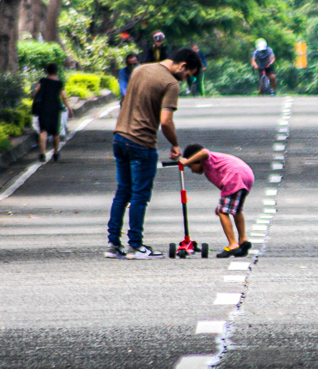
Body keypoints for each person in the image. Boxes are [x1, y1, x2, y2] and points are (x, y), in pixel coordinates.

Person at [106, 47, 202, 259]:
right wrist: (175, 145)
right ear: (182, 66)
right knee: (140, 195)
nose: (186, 79)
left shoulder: (140, 70)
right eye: (188, 75)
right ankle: (135, 246)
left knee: (123, 192)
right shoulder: (171, 83)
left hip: (120, 137)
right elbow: (166, 121)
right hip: (141, 142)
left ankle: (113, 245)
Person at [179, 144, 255, 258]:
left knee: (222, 212)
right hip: (246, 175)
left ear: (196, 161)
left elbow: (204, 152)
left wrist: (186, 161)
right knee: (236, 210)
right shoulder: (214, 163)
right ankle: (243, 240)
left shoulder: (207, 160)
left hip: (235, 176)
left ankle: (233, 244)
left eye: (191, 167)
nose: (192, 171)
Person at [31, 63, 73, 163]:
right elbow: (64, 97)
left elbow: (36, 93)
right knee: (55, 132)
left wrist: (34, 101)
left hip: (43, 108)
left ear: (47, 71)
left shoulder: (43, 81)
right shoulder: (59, 83)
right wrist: (69, 108)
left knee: (43, 131)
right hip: (55, 108)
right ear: (56, 72)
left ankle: (42, 154)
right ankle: (56, 153)